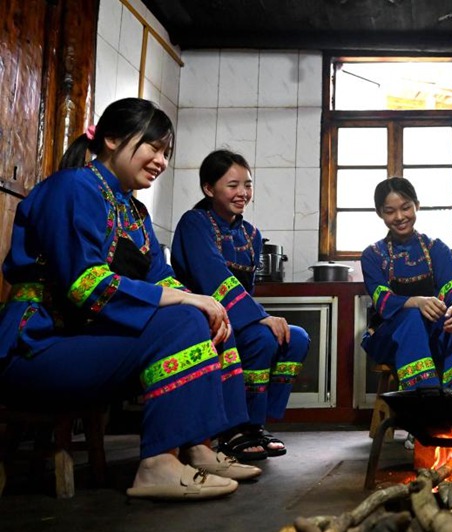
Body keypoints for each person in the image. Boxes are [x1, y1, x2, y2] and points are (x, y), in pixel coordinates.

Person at [0, 98, 262, 500]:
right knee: (184, 320)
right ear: (111, 139)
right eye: (153, 148)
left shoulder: (134, 212)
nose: (161, 161)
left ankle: (197, 447)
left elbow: (164, 278)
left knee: (207, 319)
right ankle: (158, 464)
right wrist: (186, 304)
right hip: (39, 346)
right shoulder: (72, 187)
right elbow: (85, 285)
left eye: (166, 153)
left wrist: (206, 304)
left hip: (87, 343)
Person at [171, 150, 310, 461]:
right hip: (199, 318)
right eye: (232, 185)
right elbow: (213, 279)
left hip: (235, 317)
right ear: (209, 188)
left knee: (296, 337)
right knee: (262, 337)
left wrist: (258, 317)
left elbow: (245, 290)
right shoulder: (195, 223)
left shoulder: (251, 234)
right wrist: (259, 318)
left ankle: (256, 423)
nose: (243, 193)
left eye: (247, 185)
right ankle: (234, 427)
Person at [361, 176, 452, 392]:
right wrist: (416, 302)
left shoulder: (437, 249)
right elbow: (382, 300)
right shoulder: (372, 255)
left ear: (417, 205)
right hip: (389, 337)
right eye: (389, 211)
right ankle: (424, 401)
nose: (399, 217)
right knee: (412, 318)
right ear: (380, 213)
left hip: (433, 333)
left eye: (406, 208)